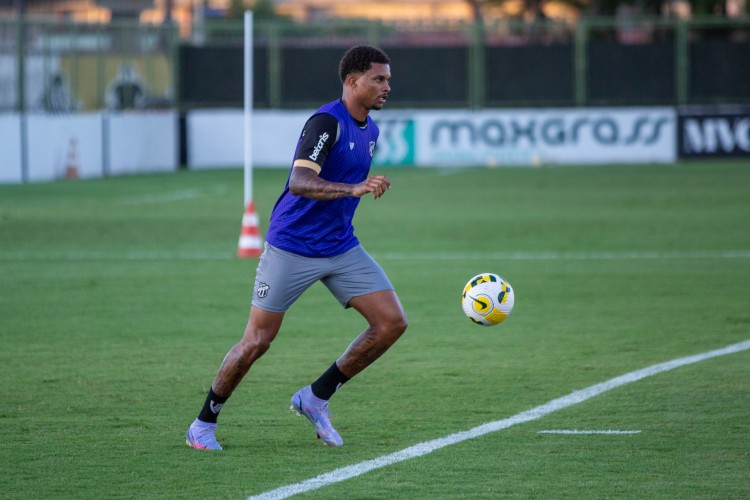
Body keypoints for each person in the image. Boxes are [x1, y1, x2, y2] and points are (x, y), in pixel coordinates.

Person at [186, 45, 407, 450]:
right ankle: (203, 423)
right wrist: (354, 187)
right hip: (291, 248)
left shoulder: (370, 129)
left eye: (388, 79)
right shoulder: (326, 123)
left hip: (340, 247)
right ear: (352, 81)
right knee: (257, 342)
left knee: (391, 323)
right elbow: (300, 182)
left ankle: (315, 397)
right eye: (379, 79)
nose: (387, 86)